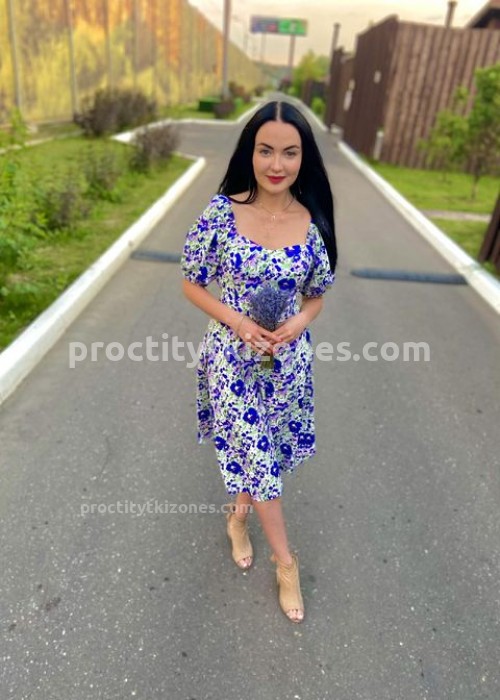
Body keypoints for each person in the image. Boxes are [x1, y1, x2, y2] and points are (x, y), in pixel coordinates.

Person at [180, 100, 337, 623]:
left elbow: (316, 294)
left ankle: (237, 516)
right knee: (262, 460)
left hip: (286, 365)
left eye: (289, 153)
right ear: (250, 152)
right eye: (265, 150)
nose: (276, 164)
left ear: (303, 158)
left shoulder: (310, 222)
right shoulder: (221, 212)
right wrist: (238, 322)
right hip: (231, 360)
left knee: (262, 452)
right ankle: (286, 564)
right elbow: (191, 282)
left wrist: (300, 322)